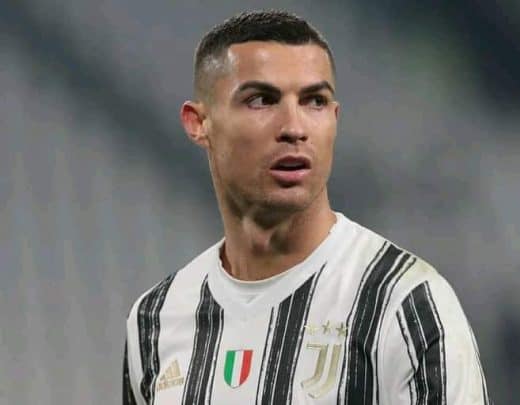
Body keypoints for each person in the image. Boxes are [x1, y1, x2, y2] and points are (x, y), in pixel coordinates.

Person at [123, 10, 490, 405]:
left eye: (315, 101)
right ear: (199, 123)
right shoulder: (154, 319)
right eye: (261, 100)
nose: (294, 128)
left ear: (334, 118)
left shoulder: (406, 304)